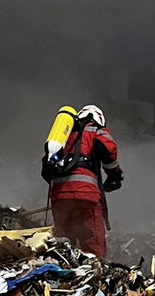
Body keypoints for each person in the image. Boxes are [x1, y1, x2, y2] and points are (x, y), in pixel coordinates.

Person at [41, 104, 122, 257]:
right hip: (86, 195)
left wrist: (63, 187)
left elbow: (46, 171)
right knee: (92, 242)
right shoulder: (94, 129)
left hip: (59, 197)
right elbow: (108, 149)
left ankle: (67, 269)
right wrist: (115, 176)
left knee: (63, 244)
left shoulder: (60, 139)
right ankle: (93, 269)